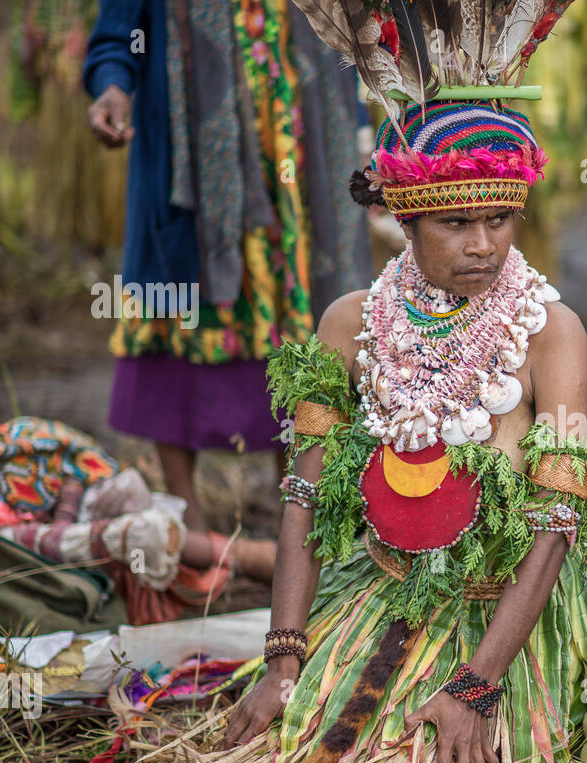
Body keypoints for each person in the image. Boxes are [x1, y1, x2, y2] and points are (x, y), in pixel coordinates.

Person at [93, 2, 587, 763]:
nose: (482, 245)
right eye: (455, 222)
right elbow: (304, 496)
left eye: (499, 220)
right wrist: (285, 655)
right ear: (404, 216)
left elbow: (555, 523)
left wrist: (477, 684)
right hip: (388, 580)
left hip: (510, 606)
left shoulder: (551, 330)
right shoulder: (348, 323)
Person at [82, 0, 372, 532]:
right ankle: (187, 521)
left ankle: (299, 506)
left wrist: (364, 132)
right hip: (188, 175)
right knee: (177, 312)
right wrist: (113, 88)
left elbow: (351, 41)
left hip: (303, 183)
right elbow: (116, 38)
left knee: (305, 332)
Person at [0, 389, 276, 626]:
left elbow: (55, 455)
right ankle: (242, 556)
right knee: (140, 534)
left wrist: (68, 503)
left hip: (54, 506)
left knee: (132, 506)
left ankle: (238, 556)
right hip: (3, 540)